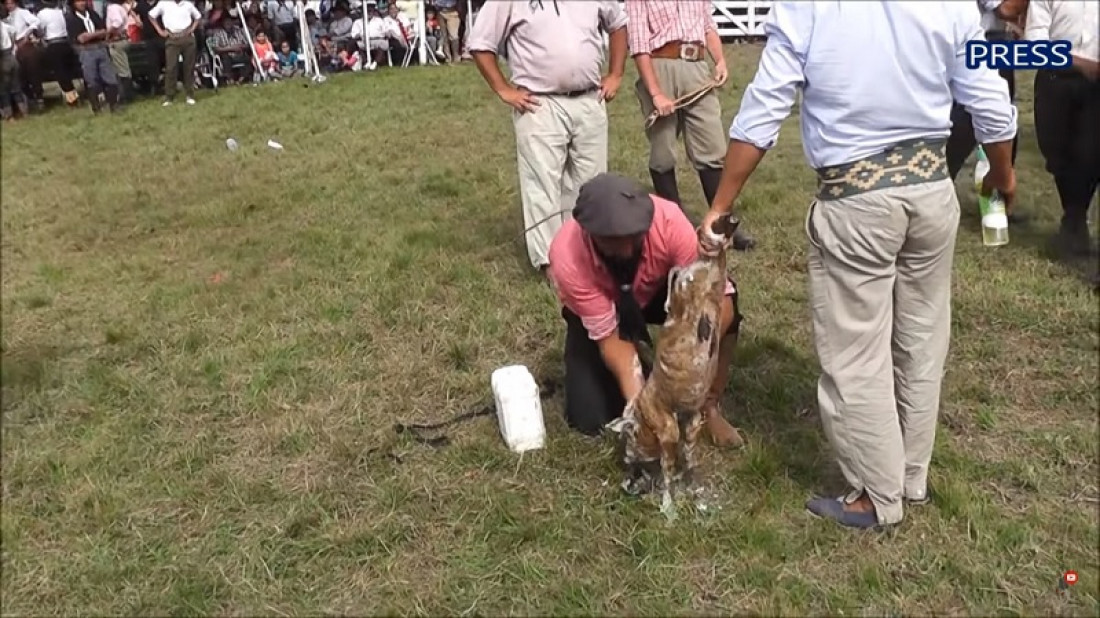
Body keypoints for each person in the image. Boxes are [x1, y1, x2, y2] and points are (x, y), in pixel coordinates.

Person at [699, 2, 1017, 529]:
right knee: (921, 339)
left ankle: (877, 495)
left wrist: (721, 202)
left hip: (856, 198)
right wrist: (1002, 177)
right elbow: (987, 96)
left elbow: (763, 108)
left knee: (856, 354)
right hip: (931, 189)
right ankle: (909, 478)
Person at [546, 173, 745, 446]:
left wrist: (687, 361)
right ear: (588, 232)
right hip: (606, 306)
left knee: (721, 315)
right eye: (612, 240)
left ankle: (709, 407)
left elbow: (717, 302)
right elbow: (610, 341)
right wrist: (645, 411)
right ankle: (644, 388)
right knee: (590, 419)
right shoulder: (567, 255)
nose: (626, 249)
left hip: (659, 292)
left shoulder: (669, 221)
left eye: (633, 236)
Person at [468, 0, 629, 273]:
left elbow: (618, 24)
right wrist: (504, 89)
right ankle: (551, 264)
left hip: (589, 98)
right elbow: (480, 43)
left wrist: (616, 73)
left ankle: (586, 255)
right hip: (539, 103)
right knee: (542, 186)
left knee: (591, 184)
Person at [625, 0, 756, 252]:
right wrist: (655, 93)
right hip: (660, 64)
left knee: (713, 148)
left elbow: (707, 25)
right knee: (663, 152)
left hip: (697, 67)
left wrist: (719, 60)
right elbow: (639, 46)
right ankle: (674, 226)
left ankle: (722, 224)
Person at [1025, 0, 1099, 257]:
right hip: (1054, 79)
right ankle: (1074, 219)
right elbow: (1034, 46)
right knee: (1055, 153)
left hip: (1097, 88)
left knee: (1089, 153)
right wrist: (1082, 64)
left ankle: (1075, 222)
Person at [945, 0, 1028, 222]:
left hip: (995, 39)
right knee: (971, 124)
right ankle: (938, 188)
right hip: (978, 41)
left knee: (1003, 126)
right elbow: (1007, 8)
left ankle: (996, 208)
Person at [66, 0, 121, 113]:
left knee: (110, 78)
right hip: (86, 51)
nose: (81, 3)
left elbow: (104, 30)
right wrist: (97, 34)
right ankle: (96, 108)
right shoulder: (71, 19)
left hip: (100, 47)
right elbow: (81, 38)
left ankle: (113, 105)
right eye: (78, 1)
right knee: (91, 80)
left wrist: (92, 35)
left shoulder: (93, 14)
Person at [148, 0, 202, 106]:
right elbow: (151, 15)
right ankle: (169, 96)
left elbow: (198, 16)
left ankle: (190, 95)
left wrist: (192, 29)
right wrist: (160, 30)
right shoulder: (163, 3)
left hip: (187, 37)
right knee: (171, 67)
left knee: (189, 67)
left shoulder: (187, 4)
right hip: (172, 37)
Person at [0, 9, 29, 120]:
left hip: (2, 58)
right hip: (11, 56)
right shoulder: (6, 27)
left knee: (3, 89)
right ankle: (24, 112)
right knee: (16, 87)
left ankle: (9, 115)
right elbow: (13, 36)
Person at [104, 0, 134, 102]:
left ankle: (125, 96)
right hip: (124, 39)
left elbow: (117, 22)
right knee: (124, 68)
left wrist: (108, 35)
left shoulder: (112, 8)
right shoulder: (121, 7)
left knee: (121, 71)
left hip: (117, 41)